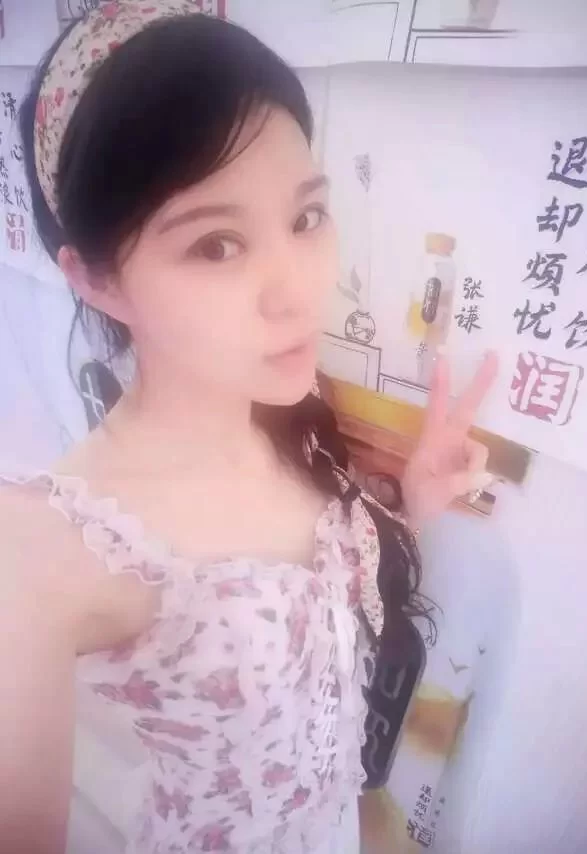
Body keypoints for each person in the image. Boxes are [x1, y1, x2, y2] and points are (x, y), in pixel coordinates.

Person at [0, 3, 496, 852]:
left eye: (305, 219)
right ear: (96, 280)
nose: (298, 290)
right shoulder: (41, 549)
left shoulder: (291, 429)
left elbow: (317, 611)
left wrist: (411, 501)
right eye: (216, 246)